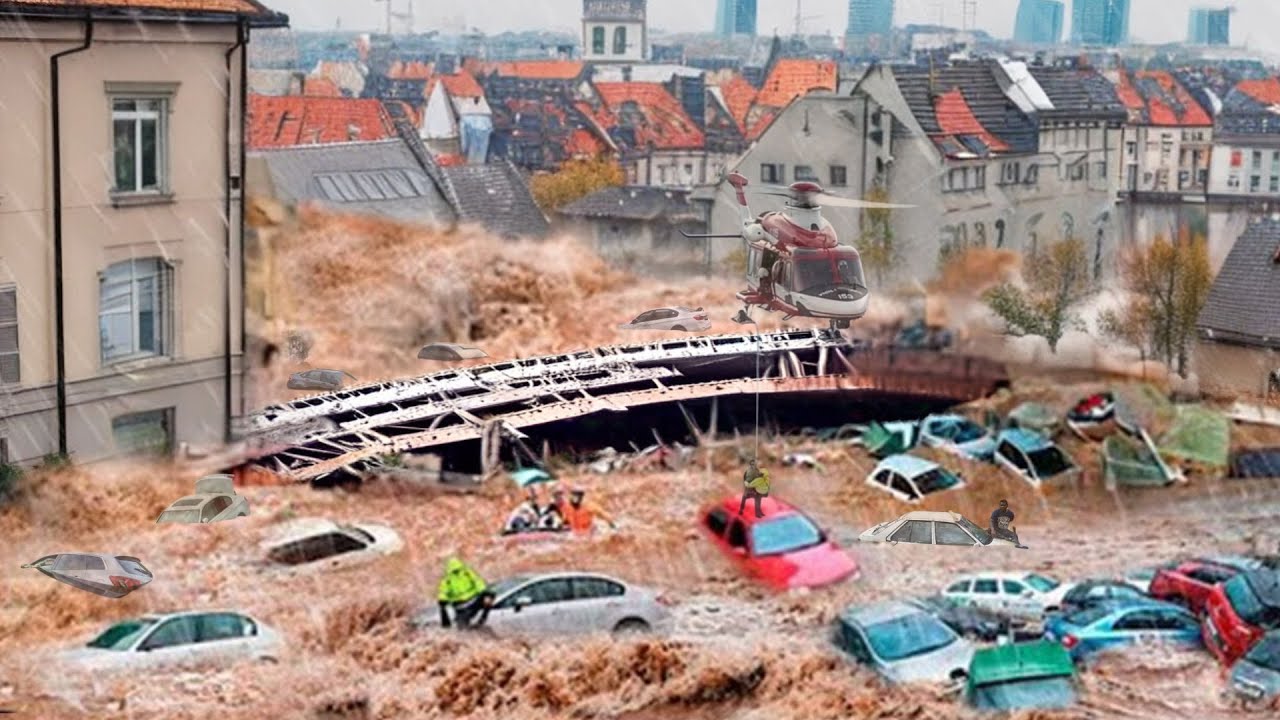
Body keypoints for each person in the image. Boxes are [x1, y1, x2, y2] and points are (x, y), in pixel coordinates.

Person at [437, 557, 493, 629]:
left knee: (490, 595)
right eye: (455, 570)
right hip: (462, 604)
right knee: (462, 628)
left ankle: (482, 619)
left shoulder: (466, 573)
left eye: (457, 570)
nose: (456, 571)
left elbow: (477, 582)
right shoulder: (448, 579)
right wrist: (442, 599)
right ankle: (478, 622)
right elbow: (443, 591)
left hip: (470, 601)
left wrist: (484, 591)